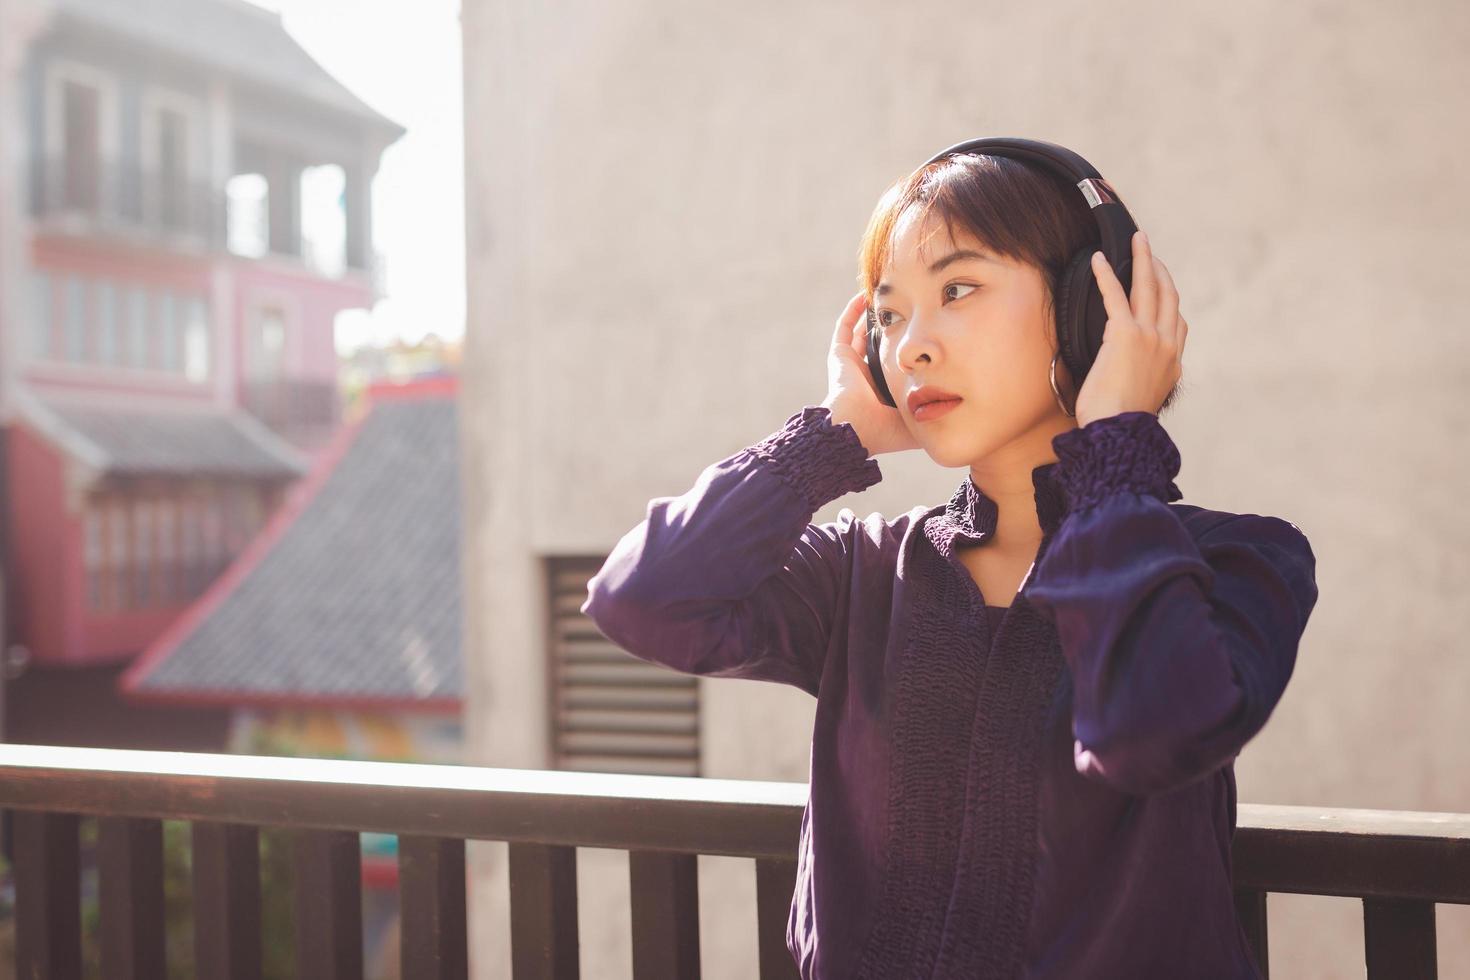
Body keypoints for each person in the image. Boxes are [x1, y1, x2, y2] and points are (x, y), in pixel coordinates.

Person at [581, 151, 1318, 979]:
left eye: (957, 291)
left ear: (1088, 311)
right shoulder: (863, 570)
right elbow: (643, 600)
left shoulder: (1237, 559)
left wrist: (1115, 451)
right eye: (888, 319)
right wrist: (829, 440)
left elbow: (1150, 734)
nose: (912, 349)